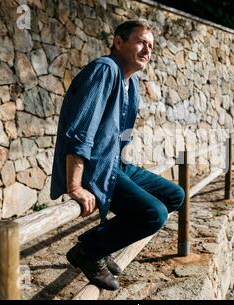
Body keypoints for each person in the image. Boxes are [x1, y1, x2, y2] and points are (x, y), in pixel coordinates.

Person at [50, 20, 185, 291]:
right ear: (119, 42)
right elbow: (80, 130)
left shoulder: (130, 82)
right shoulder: (104, 70)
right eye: (140, 42)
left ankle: (101, 243)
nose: (147, 50)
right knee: (154, 214)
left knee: (175, 195)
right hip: (94, 168)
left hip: (115, 165)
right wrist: (75, 185)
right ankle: (88, 252)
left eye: (151, 46)